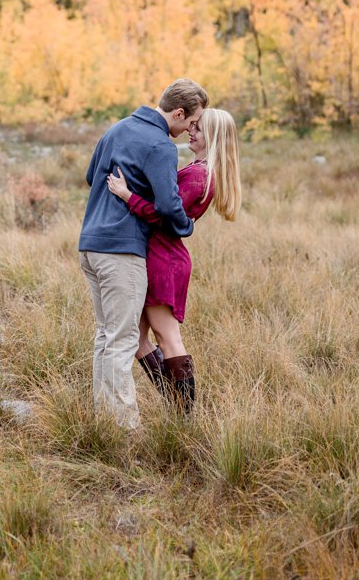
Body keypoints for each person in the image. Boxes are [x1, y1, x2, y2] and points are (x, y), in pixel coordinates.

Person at [78, 78, 207, 429]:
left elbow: (92, 176)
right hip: (123, 250)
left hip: (90, 244)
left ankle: (103, 418)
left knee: (106, 335)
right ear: (178, 113)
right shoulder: (161, 146)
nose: (189, 130)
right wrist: (186, 225)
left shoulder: (117, 128)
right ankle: (124, 427)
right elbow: (169, 205)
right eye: (191, 122)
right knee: (122, 340)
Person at [105, 107, 242, 415]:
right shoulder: (199, 169)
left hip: (163, 259)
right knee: (137, 338)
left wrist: (128, 196)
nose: (191, 131)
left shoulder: (199, 174)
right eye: (192, 125)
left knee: (167, 339)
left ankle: (183, 416)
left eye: (198, 128)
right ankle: (174, 403)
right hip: (159, 254)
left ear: (214, 137)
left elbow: (166, 215)